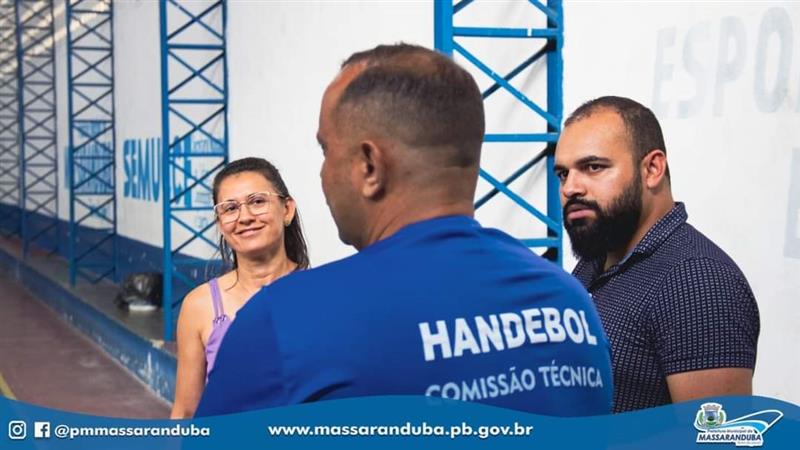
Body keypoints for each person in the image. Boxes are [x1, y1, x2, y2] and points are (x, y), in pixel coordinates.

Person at [195, 43, 613, 417]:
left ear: (369, 167)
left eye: (326, 151)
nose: (322, 173)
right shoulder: (569, 300)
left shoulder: (286, 321)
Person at [554, 96, 760, 413]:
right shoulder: (597, 260)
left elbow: (715, 434)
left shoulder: (697, 282)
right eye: (563, 174)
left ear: (652, 169)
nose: (570, 188)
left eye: (593, 167)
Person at [170, 157, 310, 419]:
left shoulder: (322, 295)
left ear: (287, 209)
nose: (245, 217)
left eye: (257, 202)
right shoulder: (200, 306)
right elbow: (186, 410)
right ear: (220, 223)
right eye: (230, 208)